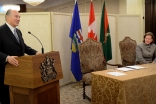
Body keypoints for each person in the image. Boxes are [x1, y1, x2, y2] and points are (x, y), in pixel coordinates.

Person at [0, 9, 41, 104]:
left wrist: (36, 53)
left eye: (19, 17)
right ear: (7, 17)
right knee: (7, 98)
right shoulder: (1, 31)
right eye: (16, 16)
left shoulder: (18, 31)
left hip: (19, 70)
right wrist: (7, 58)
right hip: (5, 72)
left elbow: (23, 47)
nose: (18, 19)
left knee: (18, 97)